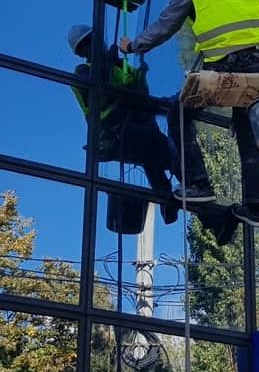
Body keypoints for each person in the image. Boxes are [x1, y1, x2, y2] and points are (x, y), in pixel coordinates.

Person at [119, 0, 259, 227]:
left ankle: (199, 184)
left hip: (224, 70)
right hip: (256, 70)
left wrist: (133, 45)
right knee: (248, 137)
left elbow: (164, 26)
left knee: (180, 113)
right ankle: (254, 207)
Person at [68, 24, 180, 225]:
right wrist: (108, 65)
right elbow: (101, 94)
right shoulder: (82, 73)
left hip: (133, 126)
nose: (96, 47)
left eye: (95, 42)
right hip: (112, 132)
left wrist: (140, 74)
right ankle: (186, 184)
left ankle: (168, 201)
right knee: (157, 142)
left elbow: (140, 92)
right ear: (83, 52)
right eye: (89, 45)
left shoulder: (120, 65)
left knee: (152, 154)